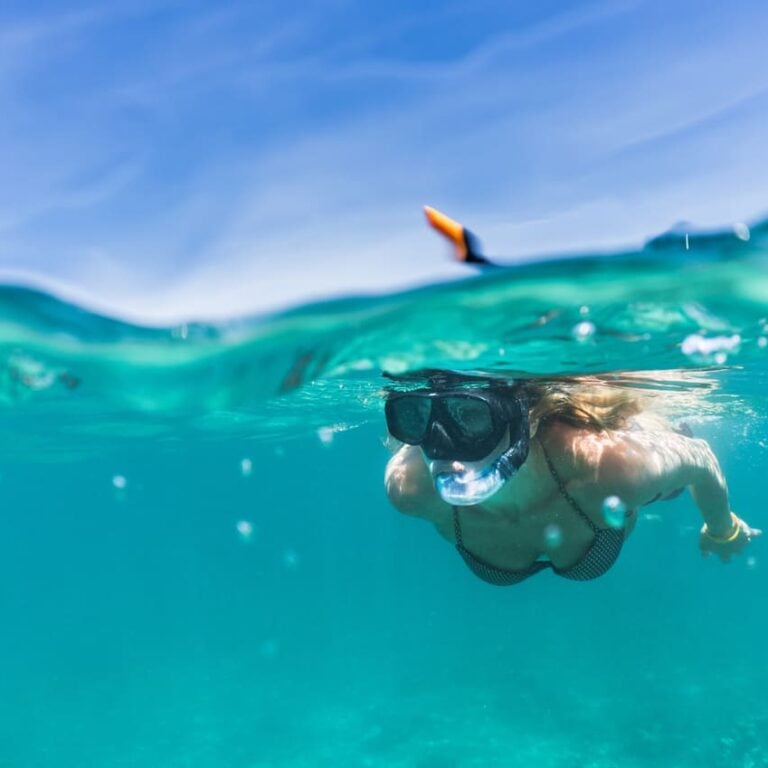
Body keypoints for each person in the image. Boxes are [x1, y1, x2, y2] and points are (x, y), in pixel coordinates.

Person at [383, 370, 761, 585]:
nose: (441, 445)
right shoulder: (410, 488)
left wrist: (721, 529)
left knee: (667, 485)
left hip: (610, 450)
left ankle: (665, 428)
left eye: (472, 417)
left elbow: (702, 457)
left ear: (526, 420)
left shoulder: (608, 467)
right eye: (415, 418)